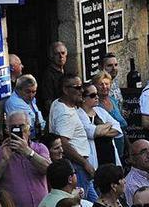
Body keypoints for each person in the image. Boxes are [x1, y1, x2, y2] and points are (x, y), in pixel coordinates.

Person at [0, 111, 51, 207]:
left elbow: (49, 170)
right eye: (14, 127)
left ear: (29, 128)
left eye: (22, 126)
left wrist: (28, 152)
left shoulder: (40, 148)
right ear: (8, 130)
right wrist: (3, 161)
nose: (19, 130)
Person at [49, 74, 96, 202]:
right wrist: (85, 163)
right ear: (65, 89)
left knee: (94, 202)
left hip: (78, 165)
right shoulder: (65, 113)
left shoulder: (59, 103)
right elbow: (63, 143)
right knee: (79, 202)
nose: (81, 91)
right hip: (77, 166)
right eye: (78, 87)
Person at [78, 82, 123, 169]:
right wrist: (108, 125)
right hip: (96, 159)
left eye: (97, 94)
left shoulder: (100, 110)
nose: (97, 97)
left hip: (110, 157)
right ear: (83, 98)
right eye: (93, 95)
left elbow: (117, 127)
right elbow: (93, 132)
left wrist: (101, 131)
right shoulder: (78, 114)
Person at [5, 75, 46, 139]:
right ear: (18, 90)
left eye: (33, 92)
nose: (31, 95)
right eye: (28, 92)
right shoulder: (14, 102)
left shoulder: (30, 99)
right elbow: (29, 125)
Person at [39, 42, 69, 115]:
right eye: (57, 54)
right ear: (51, 56)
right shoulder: (48, 75)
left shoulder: (66, 70)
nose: (61, 56)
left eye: (63, 53)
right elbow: (48, 101)